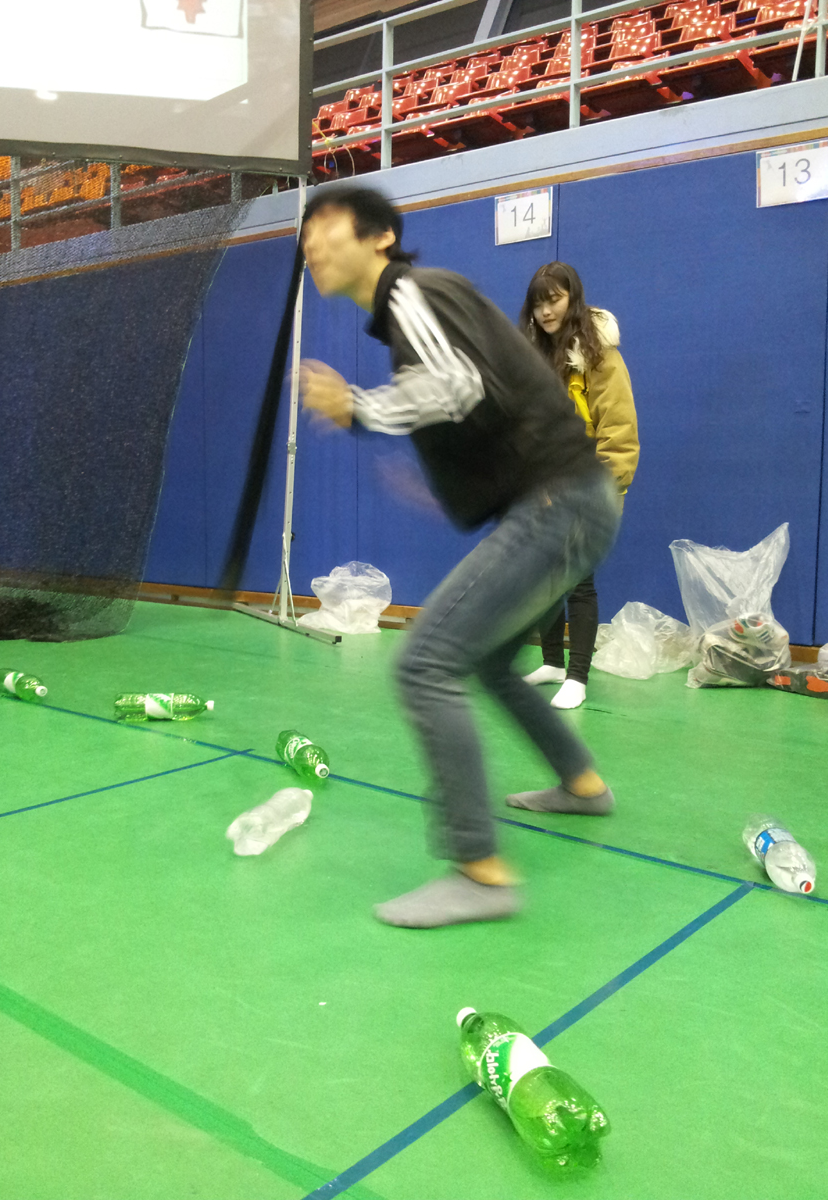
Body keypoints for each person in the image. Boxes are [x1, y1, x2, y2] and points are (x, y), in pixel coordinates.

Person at [298, 185, 620, 929]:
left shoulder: (411, 292)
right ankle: (581, 783)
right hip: (571, 503)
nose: (310, 242)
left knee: (424, 664)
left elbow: (453, 386)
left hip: (561, 505)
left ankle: (480, 872)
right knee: (488, 662)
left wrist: (358, 407)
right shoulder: (420, 308)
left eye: (325, 224)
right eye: (305, 233)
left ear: (380, 237)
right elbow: (483, 398)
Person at [519, 263, 639, 710]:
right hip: (545, 487)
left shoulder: (599, 355)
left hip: (587, 488)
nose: (546, 311)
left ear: (573, 298)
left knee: (578, 581)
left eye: (554, 299)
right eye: (538, 303)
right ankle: (553, 662)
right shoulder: (536, 354)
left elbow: (619, 431)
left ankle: (578, 676)